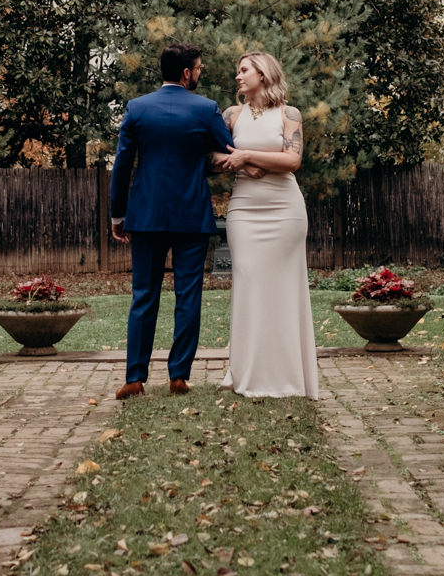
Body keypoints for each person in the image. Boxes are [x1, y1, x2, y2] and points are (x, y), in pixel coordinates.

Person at [109, 42, 236, 400]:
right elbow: (230, 151)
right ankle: (179, 375)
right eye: (198, 67)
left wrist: (118, 215)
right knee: (188, 295)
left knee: (144, 295)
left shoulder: (137, 108)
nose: (201, 72)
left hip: (145, 214)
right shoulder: (205, 108)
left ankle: (134, 378)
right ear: (186, 73)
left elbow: (121, 166)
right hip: (191, 216)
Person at [216, 52, 320, 399]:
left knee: (283, 290)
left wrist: (247, 156)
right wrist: (244, 167)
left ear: (263, 73)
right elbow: (210, 156)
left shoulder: (288, 114)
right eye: (238, 70)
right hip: (244, 209)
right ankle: (246, 370)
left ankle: (286, 374)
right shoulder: (231, 115)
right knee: (249, 283)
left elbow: (292, 160)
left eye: (243, 70)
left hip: (285, 209)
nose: (238, 77)